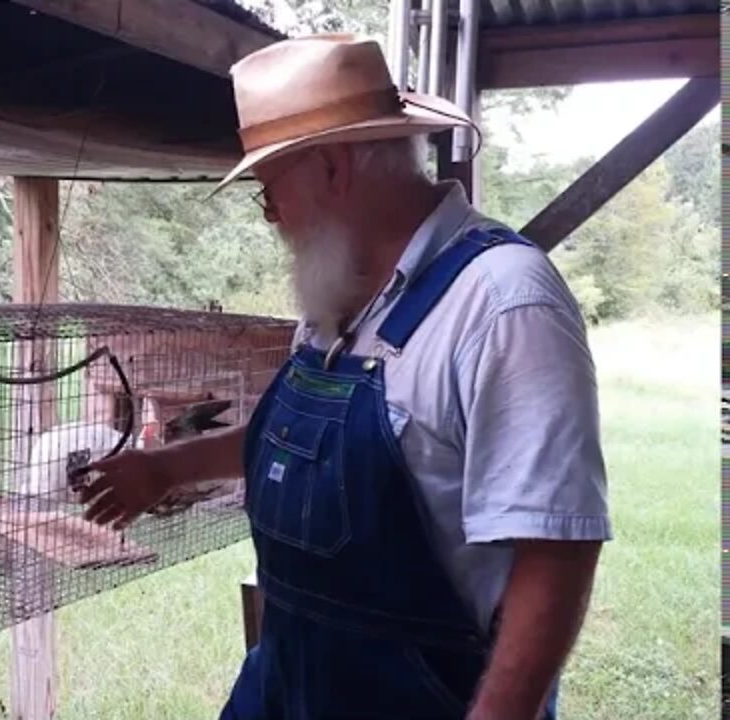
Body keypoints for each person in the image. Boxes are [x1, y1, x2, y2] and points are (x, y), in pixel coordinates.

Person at [76, 34, 611, 720]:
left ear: (331, 169)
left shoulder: (504, 303)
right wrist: (166, 468)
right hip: (286, 685)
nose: (273, 220)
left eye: (271, 194)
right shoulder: (340, 293)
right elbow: (289, 443)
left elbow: (556, 550)